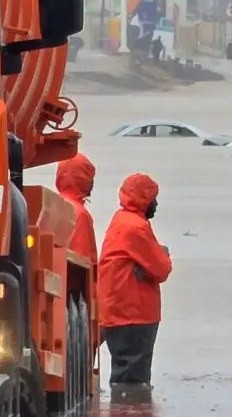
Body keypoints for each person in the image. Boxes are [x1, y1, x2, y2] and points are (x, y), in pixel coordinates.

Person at [98, 173, 173, 388]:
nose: (156, 204)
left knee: (123, 374)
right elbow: (162, 269)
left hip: (117, 312)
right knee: (132, 381)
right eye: (153, 198)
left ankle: (119, 408)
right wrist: (164, 253)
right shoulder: (137, 228)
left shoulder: (119, 220)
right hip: (134, 314)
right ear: (143, 199)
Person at [55, 153, 97, 264]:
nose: (92, 183)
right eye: (90, 177)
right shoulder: (80, 214)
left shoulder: (54, 204)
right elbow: (82, 260)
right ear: (82, 179)